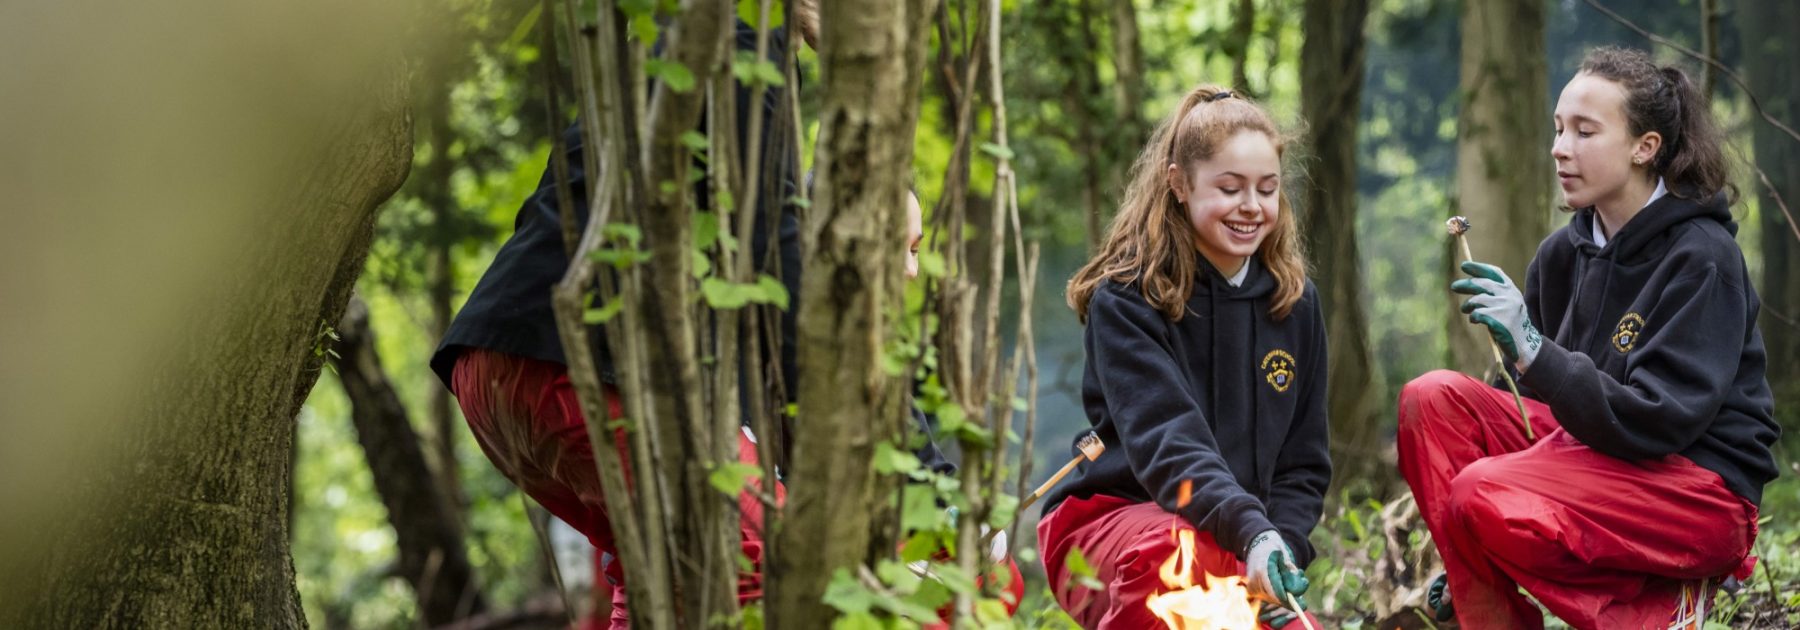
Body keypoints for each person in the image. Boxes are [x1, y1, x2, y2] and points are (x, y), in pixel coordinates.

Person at [1398, 46, 1779, 629]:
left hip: (1696, 492)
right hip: (1595, 463)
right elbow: (1532, 416)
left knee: (1478, 493)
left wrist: (1533, 348)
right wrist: (1522, 358)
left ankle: (1657, 607)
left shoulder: (1703, 257)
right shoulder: (1560, 255)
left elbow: (1657, 423)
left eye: (1584, 131)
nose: (1559, 147)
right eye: (1557, 129)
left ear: (1644, 147)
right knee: (1431, 400)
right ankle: (1492, 615)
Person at [1036, 84, 1330, 629]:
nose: (1251, 206)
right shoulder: (1126, 297)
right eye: (1229, 187)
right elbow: (1169, 443)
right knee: (1177, 551)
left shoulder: (1295, 302)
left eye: (1267, 189)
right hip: (1113, 526)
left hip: (1240, 540)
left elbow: (1303, 464)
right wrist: (1253, 534)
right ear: (1178, 183)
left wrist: (1277, 550)